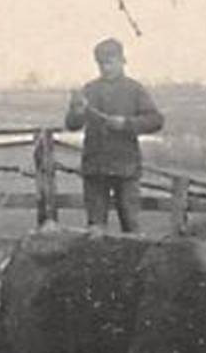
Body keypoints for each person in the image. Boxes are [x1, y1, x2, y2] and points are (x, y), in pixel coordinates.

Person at [65, 38, 164, 233]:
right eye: (101, 63)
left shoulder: (134, 89)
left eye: (110, 62)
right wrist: (76, 112)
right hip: (95, 169)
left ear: (122, 61)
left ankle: (133, 263)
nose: (106, 68)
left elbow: (156, 120)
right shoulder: (89, 90)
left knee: (131, 227)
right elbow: (72, 125)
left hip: (125, 169)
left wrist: (127, 124)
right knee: (95, 229)